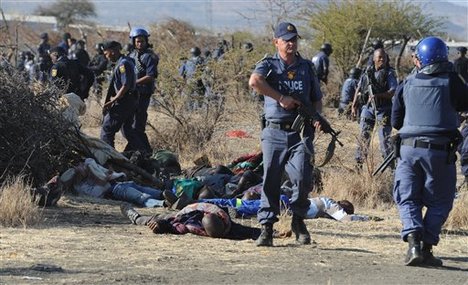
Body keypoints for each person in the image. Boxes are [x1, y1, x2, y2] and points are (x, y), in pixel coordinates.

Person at [391, 36, 468, 267]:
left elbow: (396, 120)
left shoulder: (407, 83)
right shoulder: (452, 81)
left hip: (408, 151)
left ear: (420, 59)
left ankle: (413, 242)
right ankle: (426, 247)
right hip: (439, 153)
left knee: (407, 198)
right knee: (441, 201)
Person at [248, 22, 324, 246]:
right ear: (276, 42)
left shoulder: (307, 67)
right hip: (274, 132)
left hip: (301, 133)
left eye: (294, 39)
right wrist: (280, 98)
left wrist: (316, 117)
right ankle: (267, 227)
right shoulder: (268, 64)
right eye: (286, 39)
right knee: (271, 178)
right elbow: (255, 81)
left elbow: (317, 98)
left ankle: (298, 221)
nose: (291, 43)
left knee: (302, 177)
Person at [351, 48, 397, 168]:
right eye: (379, 57)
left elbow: (392, 91)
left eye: (384, 57)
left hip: (384, 109)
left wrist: (378, 95)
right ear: (374, 59)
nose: (382, 60)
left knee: (384, 141)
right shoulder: (367, 72)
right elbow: (359, 88)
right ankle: (358, 165)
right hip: (368, 108)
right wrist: (354, 104)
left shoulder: (389, 73)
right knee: (363, 136)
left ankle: (391, 168)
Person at [100, 40, 144, 151]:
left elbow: (126, 85)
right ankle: (142, 153)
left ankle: (109, 157)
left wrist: (113, 100)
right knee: (127, 130)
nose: (106, 57)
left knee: (107, 129)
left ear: (112, 51)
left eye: (106, 53)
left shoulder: (123, 64)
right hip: (129, 101)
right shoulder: (125, 62)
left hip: (124, 101)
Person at [128, 27, 159, 153]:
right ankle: (136, 150)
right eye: (137, 41)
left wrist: (133, 83)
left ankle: (146, 151)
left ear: (146, 41)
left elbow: (151, 75)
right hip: (132, 94)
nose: (140, 44)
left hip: (143, 93)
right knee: (130, 126)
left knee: (138, 125)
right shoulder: (131, 55)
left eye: (142, 41)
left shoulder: (150, 56)